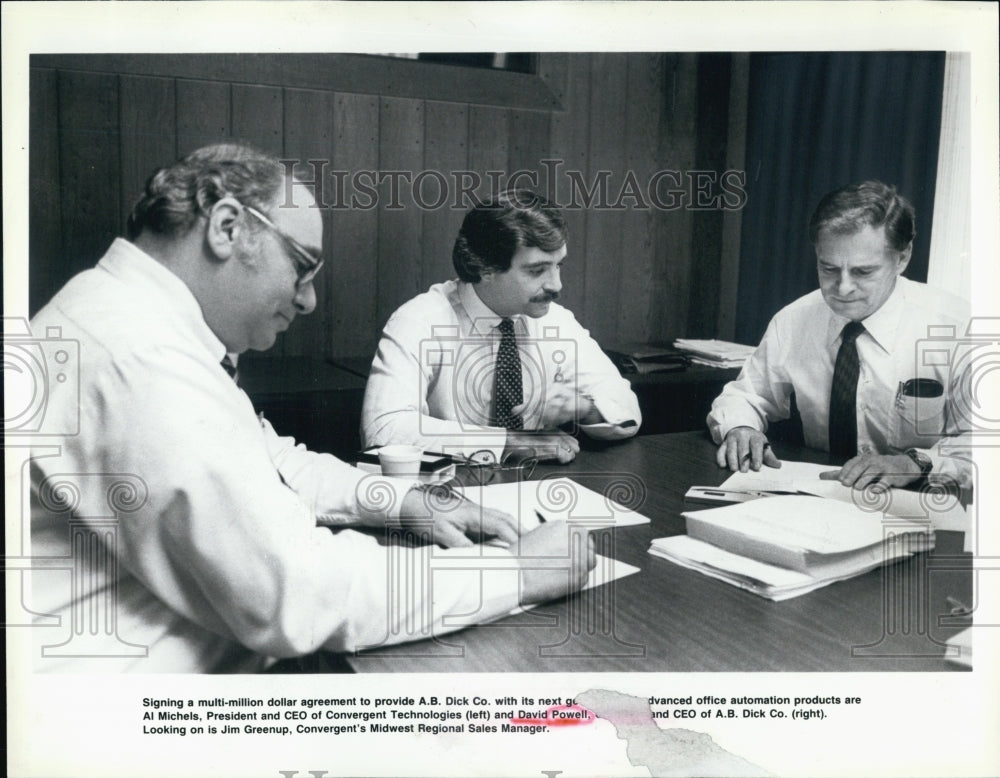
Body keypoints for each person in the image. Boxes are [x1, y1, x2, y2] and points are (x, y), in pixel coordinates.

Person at [28, 144, 594, 672]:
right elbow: (294, 594)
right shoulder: (141, 358)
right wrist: (516, 570)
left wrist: (403, 500)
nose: (308, 299)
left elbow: (268, 457)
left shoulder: (121, 316)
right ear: (227, 228)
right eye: (302, 266)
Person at [707, 180, 971, 488]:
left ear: (903, 257)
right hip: (825, 498)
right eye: (829, 269)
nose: (843, 288)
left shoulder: (958, 327)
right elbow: (746, 396)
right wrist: (741, 427)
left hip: (921, 503)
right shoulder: (794, 321)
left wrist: (916, 462)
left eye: (863, 272)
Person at [361, 189, 641, 464]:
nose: (556, 285)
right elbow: (383, 429)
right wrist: (508, 442)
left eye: (559, 266)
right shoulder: (420, 320)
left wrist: (585, 408)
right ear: (486, 268)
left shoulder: (555, 320)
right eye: (537, 270)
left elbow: (627, 408)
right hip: (448, 494)